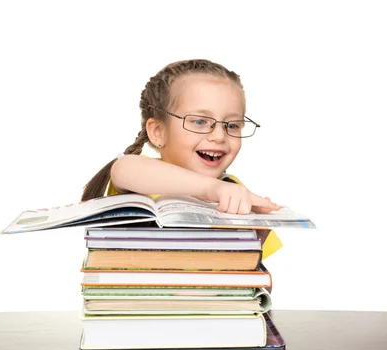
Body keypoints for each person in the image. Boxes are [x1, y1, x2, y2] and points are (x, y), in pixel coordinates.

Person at [81, 58, 284, 258]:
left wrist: (256, 238)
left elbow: (261, 283)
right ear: (158, 132)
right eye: (199, 121)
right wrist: (212, 189)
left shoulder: (234, 188)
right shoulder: (143, 177)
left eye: (232, 125)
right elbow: (123, 168)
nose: (219, 136)